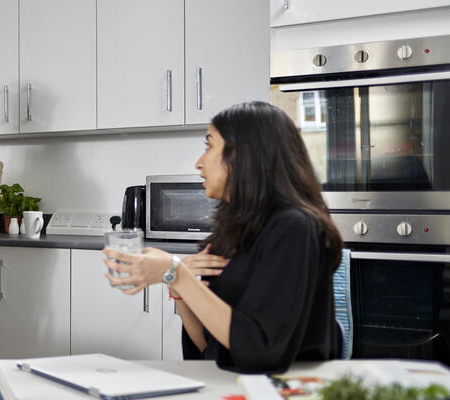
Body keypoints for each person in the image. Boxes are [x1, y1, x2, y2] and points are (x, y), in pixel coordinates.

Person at [103, 101, 344, 374]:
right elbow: (209, 346)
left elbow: (262, 352)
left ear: (244, 156)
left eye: (209, 146)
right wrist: (178, 287)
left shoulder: (294, 228)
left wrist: (175, 272)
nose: (199, 162)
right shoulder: (231, 234)